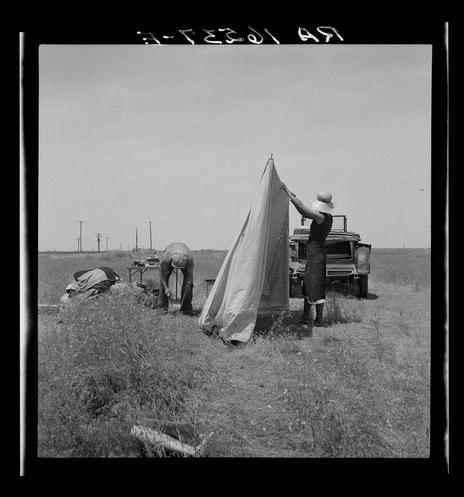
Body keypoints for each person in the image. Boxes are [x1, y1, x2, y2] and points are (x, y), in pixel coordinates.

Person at [283, 186, 334, 330]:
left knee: (316, 285)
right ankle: (306, 318)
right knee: (309, 283)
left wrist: (290, 196)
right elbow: (303, 210)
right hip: (315, 253)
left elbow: (303, 210)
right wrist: (293, 196)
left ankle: (318, 320)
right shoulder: (326, 217)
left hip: (316, 255)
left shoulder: (321, 217)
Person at [159, 242, 194, 314]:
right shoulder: (166, 259)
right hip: (170, 251)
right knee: (163, 284)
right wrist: (166, 288)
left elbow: (190, 276)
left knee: (189, 286)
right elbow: (162, 275)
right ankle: (163, 308)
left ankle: (186, 308)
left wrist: (189, 284)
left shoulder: (189, 259)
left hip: (184, 253)